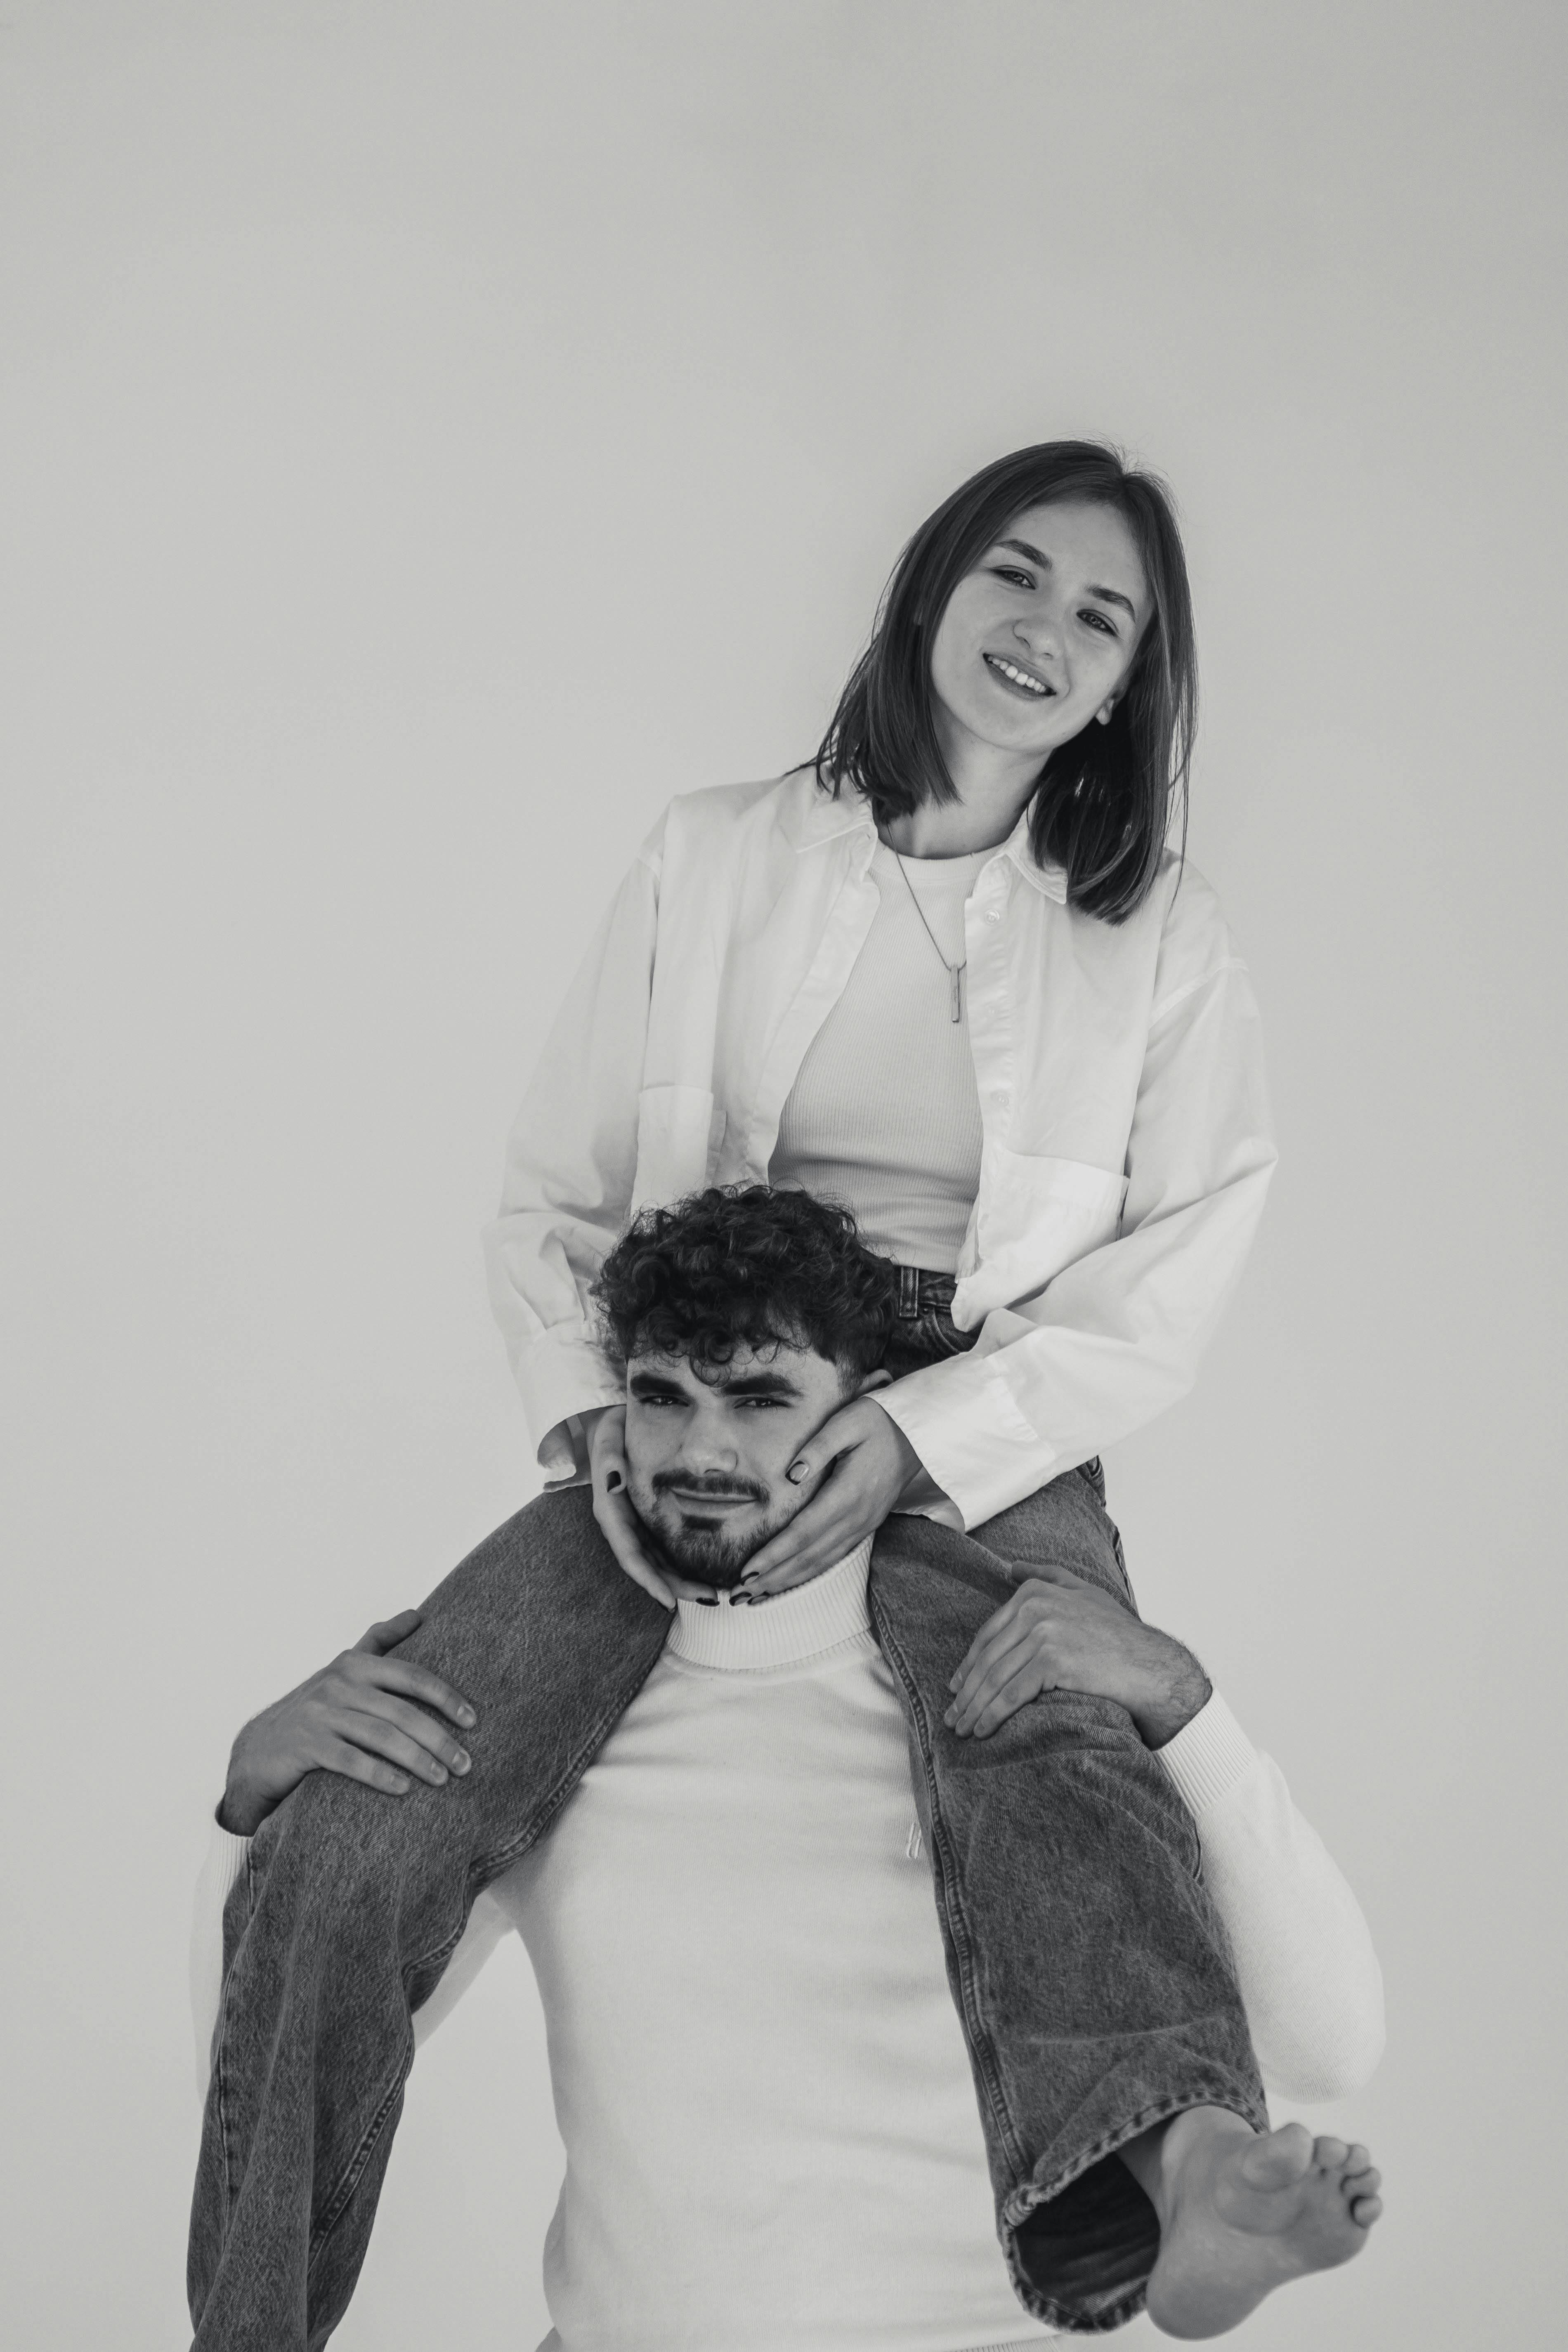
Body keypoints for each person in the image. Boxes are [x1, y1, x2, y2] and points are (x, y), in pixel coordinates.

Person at [187, 440, 1327, 2342]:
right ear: (932, 591)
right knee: (356, 1812)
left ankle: (1176, 2168)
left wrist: (914, 1438)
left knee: (1046, 1742)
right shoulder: (710, 854)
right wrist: (603, 1428)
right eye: (1014, 579)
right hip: (697, 1387)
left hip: (981, 1410)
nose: (1045, 631)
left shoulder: (1160, 942)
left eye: (1100, 615)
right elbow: (550, 1194)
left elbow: (1175, 1270)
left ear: (1132, 682)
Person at [191, 1188, 1383, 2351]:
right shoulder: (542, 1714)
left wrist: (1183, 1701)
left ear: (868, 1411)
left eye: (761, 1398)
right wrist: (254, 1808)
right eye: (662, 1396)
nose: (703, 1447)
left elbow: (1331, 2045)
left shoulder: (1014, 1689)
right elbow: (273, 2069)